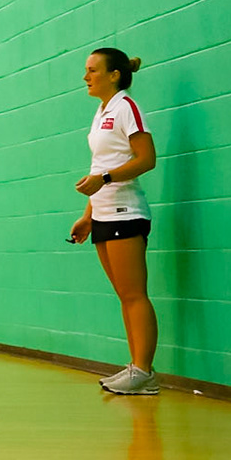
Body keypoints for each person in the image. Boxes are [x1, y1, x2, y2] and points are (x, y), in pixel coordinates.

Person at [72, 48, 160, 396]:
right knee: (124, 296)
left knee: (135, 294)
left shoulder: (126, 107)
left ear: (115, 75)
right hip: (104, 214)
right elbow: (99, 166)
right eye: (86, 70)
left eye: (93, 70)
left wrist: (105, 180)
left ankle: (145, 372)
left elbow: (147, 159)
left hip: (126, 211)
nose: (86, 76)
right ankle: (135, 366)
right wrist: (87, 216)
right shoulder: (100, 112)